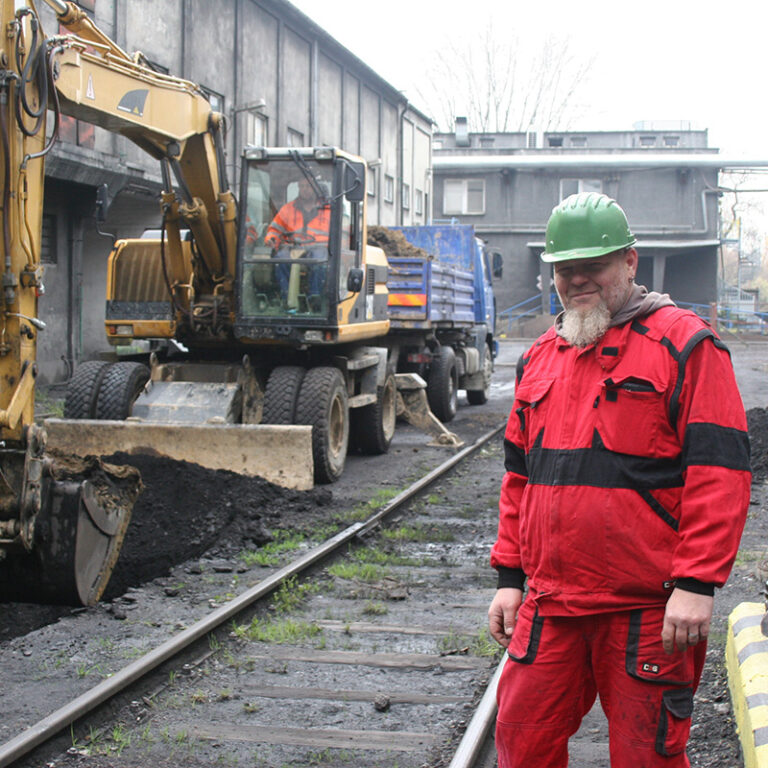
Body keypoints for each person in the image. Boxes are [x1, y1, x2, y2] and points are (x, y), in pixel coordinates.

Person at [488, 192, 751, 768]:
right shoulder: (540, 357)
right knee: (521, 746)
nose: (577, 280)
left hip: (648, 611)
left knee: (646, 758)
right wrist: (510, 575)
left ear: (629, 262)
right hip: (552, 603)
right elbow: (518, 480)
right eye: (565, 270)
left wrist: (698, 584)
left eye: (593, 267)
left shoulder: (685, 346)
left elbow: (720, 475)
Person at [265, 176, 330, 298]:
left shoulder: (328, 211)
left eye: (308, 186)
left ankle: (314, 299)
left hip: (319, 248)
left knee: (319, 262)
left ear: (315, 188)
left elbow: (341, 235)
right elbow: (275, 229)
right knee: (280, 259)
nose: (305, 189)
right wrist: (272, 239)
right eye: (302, 186)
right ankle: (287, 299)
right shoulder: (288, 209)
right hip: (294, 247)